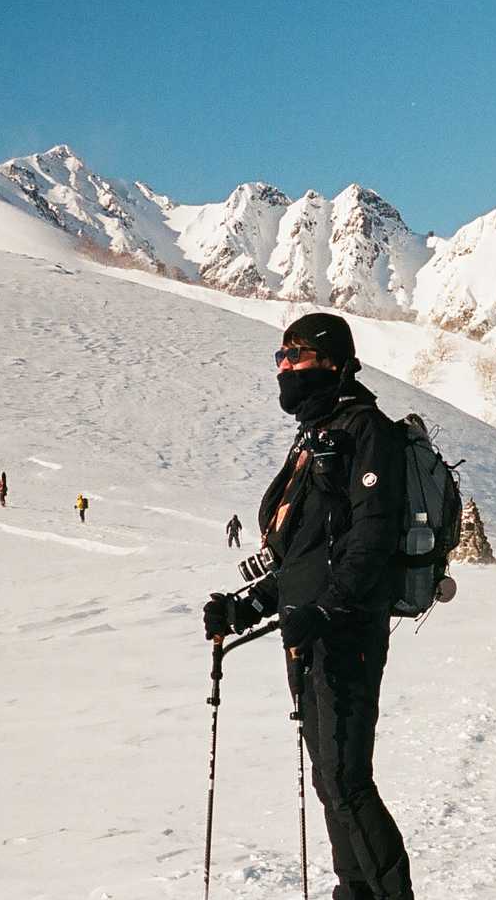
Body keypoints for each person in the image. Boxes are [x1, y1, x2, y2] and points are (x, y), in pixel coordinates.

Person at [201, 312, 414, 900]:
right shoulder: (316, 435)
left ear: (334, 362)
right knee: (328, 780)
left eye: (297, 356)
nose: (285, 368)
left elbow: (370, 539)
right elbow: (305, 555)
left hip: (347, 630)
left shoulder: (366, 430)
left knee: (348, 780)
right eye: (281, 357)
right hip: (308, 632)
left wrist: (327, 608)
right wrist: (247, 607)